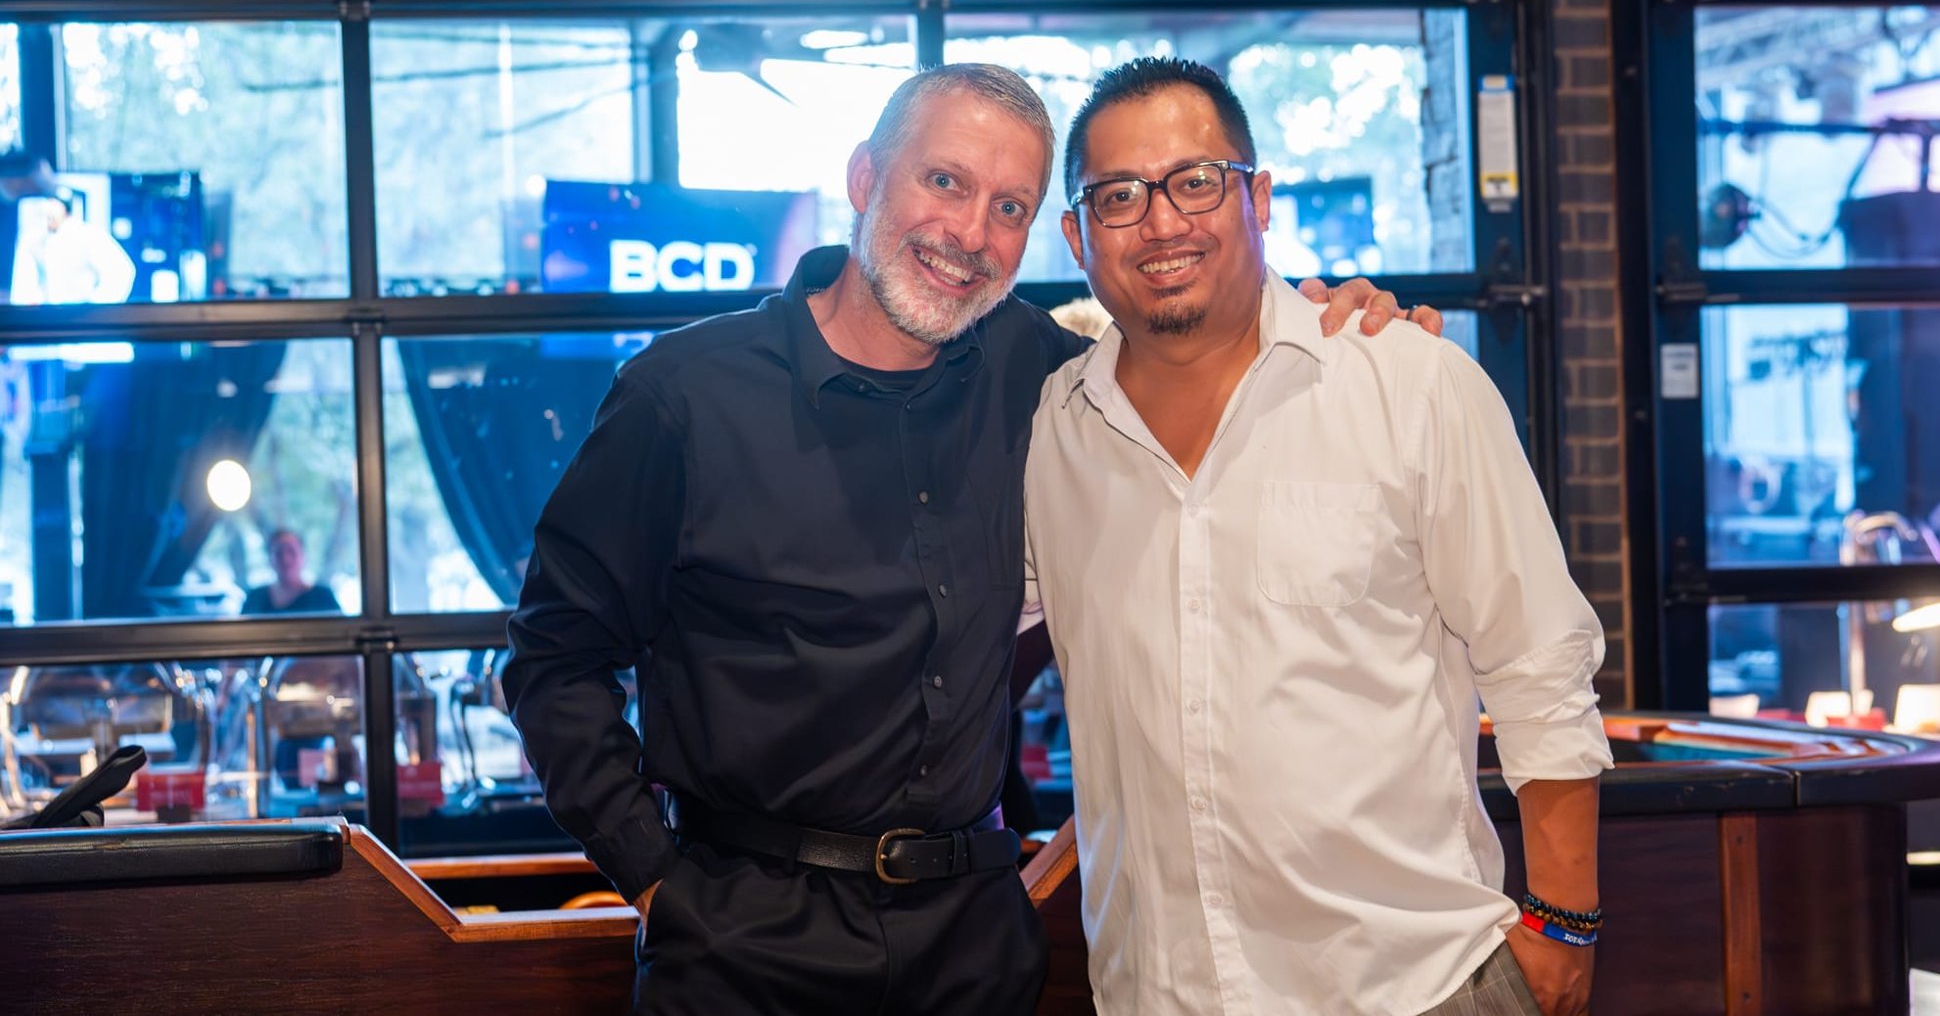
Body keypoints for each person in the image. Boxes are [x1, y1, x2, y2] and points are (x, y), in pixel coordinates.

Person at [503, 63, 1439, 1015]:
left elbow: (1202, 365)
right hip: (743, 946)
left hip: (975, 944)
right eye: (944, 182)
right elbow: (553, 658)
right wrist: (659, 880)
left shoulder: (1045, 375)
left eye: (1009, 206)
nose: (969, 235)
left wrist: (1344, 329)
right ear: (866, 179)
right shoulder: (685, 397)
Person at [1024, 57, 1612, 1016]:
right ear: (1077, 236)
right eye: (1119, 194)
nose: (1163, 221)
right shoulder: (1052, 434)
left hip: (1417, 987)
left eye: (1195, 181)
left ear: (1258, 197)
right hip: (1158, 995)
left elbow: (1539, 661)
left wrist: (1563, 929)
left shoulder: (1408, 384)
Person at [241, 528, 340, 615]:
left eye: (292, 551)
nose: (285, 559)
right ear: (269, 558)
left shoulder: (323, 597)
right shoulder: (255, 598)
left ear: (303, 556)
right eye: (279, 553)